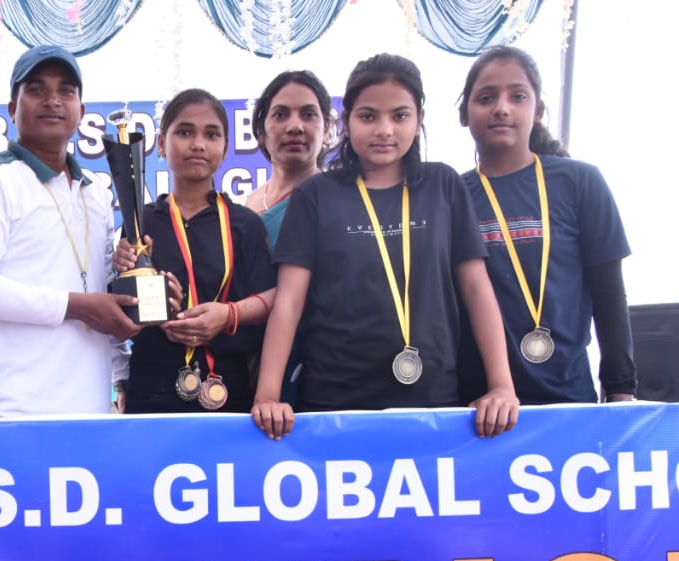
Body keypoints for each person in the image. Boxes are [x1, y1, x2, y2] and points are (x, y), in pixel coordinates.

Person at [252, 53, 519, 440]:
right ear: (346, 121)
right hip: (333, 406)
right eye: (368, 116)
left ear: (419, 119)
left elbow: (477, 290)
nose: (384, 130)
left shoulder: (443, 185)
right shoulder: (316, 194)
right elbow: (290, 301)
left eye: (399, 116)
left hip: (433, 403)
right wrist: (267, 396)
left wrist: (501, 386)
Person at [0, 45, 140, 417]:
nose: (53, 100)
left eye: (66, 91)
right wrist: (77, 307)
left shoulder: (96, 192)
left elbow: (101, 294)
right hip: (18, 412)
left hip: (93, 409)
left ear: (81, 110)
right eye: (36, 89)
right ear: (12, 109)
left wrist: (122, 375)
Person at [457, 45, 636, 404]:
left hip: (569, 400)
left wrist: (621, 391)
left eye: (518, 96)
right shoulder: (452, 194)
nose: (502, 108)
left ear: (537, 111)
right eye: (486, 98)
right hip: (479, 406)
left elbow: (609, 294)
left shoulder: (581, 182)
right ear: (464, 114)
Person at [113, 89, 275, 413]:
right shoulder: (140, 222)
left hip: (227, 391)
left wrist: (228, 316)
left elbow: (270, 305)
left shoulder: (245, 224)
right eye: (185, 132)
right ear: (161, 144)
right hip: (152, 390)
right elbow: (118, 317)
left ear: (225, 148)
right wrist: (133, 281)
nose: (198, 144)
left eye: (211, 134)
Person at [244, 70, 335, 251]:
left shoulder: (338, 203)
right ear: (261, 132)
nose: (295, 127)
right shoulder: (243, 206)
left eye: (308, 114)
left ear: (326, 130)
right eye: (280, 115)